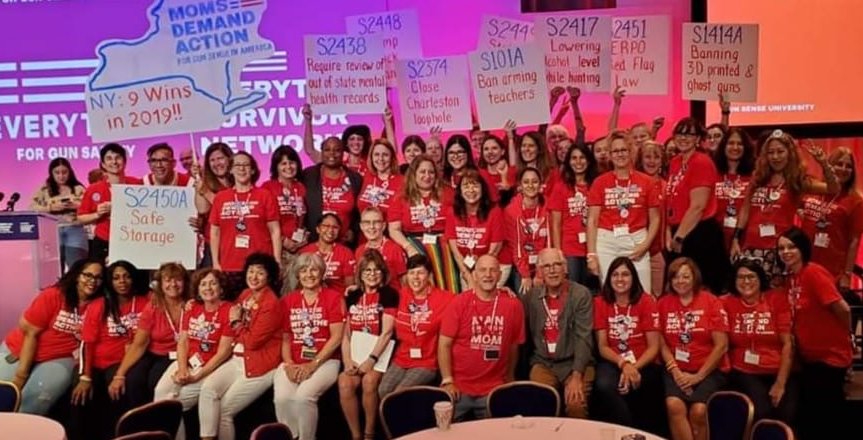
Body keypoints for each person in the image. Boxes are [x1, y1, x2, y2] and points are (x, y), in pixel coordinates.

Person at [730, 130, 838, 284]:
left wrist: (824, 164)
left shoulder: (797, 181)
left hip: (779, 251)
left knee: (777, 295)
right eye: (771, 152)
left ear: (790, 154)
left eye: (780, 152)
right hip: (750, 248)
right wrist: (735, 239)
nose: (775, 157)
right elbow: (745, 210)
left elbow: (833, 189)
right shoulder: (758, 178)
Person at [0, 259, 103, 414]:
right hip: (20, 349)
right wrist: (21, 376)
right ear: (76, 275)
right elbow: (30, 334)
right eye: (87, 275)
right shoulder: (53, 295)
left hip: (59, 357)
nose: (92, 281)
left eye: (98, 277)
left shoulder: (100, 304)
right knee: (5, 393)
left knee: (34, 400)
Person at [777, 228, 852, 440]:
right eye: (781, 248)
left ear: (802, 248)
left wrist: (847, 335)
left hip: (829, 356)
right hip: (809, 357)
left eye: (791, 247)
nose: (786, 252)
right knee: (811, 416)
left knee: (824, 417)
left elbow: (843, 309)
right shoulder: (791, 278)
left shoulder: (813, 272)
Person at [200, 253, 283, 440]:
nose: (254, 276)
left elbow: (252, 341)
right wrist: (196, 303)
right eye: (251, 271)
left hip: (259, 365)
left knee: (224, 411)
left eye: (260, 273)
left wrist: (236, 323)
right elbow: (227, 311)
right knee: (208, 390)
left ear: (269, 276)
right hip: (238, 359)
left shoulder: (271, 303)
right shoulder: (246, 294)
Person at [438, 255, 525, 420]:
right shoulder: (459, 303)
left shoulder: (513, 305)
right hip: (459, 388)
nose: (488, 275)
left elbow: (513, 345)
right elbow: (444, 344)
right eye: (483, 270)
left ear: (500, 275)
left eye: (493, 270)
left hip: (494, 389)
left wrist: (510, 378)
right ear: (475, 275)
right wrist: (448, 381)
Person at [71, 260, 149, 440]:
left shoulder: (145, 302)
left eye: (126, 276)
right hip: (94, 362)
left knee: (118, 392)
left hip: (122, 362)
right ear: (110, 281)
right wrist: (85, 376)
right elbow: (87, 343)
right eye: (116, 278)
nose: (122, 281)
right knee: (80, 393)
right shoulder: (99, 304)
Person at [153, 269, 234, 440]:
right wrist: (182, 369)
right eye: (203, 284)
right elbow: (183, 341)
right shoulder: (192, 307)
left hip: (211, 367)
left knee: (173, 403)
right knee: (160, 393)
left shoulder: (229, 310)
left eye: (213, 283)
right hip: (187, 362)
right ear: (197, 289)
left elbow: (223, 352)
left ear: (221, 288)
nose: (208, 288)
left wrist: (197, 376)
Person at [274, 253, 344, 440]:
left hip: (326, 360)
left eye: (314, 270)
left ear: (322, 273)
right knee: (282, 399)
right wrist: (289, 364)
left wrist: (313, 364)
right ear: (298, 275)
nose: (309, 275)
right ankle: (292, 436)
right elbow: (286, 337)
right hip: (293, 360)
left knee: (303, 398)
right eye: (304, 270)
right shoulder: (288, 301)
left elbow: (337, 337)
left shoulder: (334, 297)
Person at [658, 257, 729, 440]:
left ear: (694, 277)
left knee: (699, 410)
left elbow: (721, 345)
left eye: (685, 276)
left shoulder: (711, 301)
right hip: (675, 368)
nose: (680, 281)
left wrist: (698, 376)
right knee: (674, 405)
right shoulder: (663, 303)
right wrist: (675, 371)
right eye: (675, 277)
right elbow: (661, 342)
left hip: (708, 369)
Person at [592, 257, 663, 433]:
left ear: (633, 278)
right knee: (604, 383)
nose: (620, 279)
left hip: (644, 362)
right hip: (614, 361)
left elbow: (654, 347)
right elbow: (602, 346)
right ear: (609, 278)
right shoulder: (600, 302)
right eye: (615, 275)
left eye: (625, 274)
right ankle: (628, 433)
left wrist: (633, 367)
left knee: (649, 383)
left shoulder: (647, 301)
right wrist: (624, 364)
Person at [108, 263, 190, 411]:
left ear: (185, 282)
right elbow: (139, 344)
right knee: (133, 380)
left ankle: (156, 420)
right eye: (168, 280)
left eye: (178, 280)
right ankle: (138, 420)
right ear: (160, 284)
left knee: (154, 381)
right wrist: (119, 375)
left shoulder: (192, 305)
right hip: (153, 353)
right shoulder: (153, 305)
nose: (173, 284)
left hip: (179, 355)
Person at [722, 259, 795, 423]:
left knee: (787, 413)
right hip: (744, 370)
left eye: (751, 276)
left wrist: (780, 383)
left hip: (777, 369)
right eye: (741, 277)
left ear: (760, 279)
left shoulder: (776, 299)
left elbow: (788, 344)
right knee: (761, 410)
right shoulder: (726, 302)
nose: (746, 281)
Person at [523, 248, 593, 418]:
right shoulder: (531, 297)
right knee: (538, 402)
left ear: (565, 268)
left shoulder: (581, 294)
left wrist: (577, 375)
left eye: (557, 265)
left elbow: (583, 338)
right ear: (540, 271)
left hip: (574, 363)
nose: (552, 270)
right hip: (544, 363)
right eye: (547, 266)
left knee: (575, 403)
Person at [587, 131, 661, 287]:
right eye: (615, 151)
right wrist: (591, 254)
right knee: (610, 289)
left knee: (643, 289)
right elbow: (592, 220)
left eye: (623, 150)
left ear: (631, 152)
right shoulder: (599, 182)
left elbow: (655, 218)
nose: (620, 154)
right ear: (610, 155)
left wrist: (646, 245)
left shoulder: (647, 182)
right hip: (607, 241)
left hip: (637, 239)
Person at [338, 250, 399, 440]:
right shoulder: (352, 295)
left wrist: (371, 360)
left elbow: (387, 332)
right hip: (356, 353)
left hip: (379, 354)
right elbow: (346, 334)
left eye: (376, 270)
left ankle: (369, 433)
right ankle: (355, 435)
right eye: (367, 270)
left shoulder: (389, 294)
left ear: (383, 272)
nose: (372, 274)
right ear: (360, 273)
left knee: (369, 381)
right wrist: (347, 361)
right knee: (344, 382)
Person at [664, 118, 729, 295]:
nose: (683, 138)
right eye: (680, 133)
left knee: (701, 288)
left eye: (689, 134)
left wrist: (679, 237)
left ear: (698, 138)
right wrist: (669, 231)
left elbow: (698, 206)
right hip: (679, 230)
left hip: (699, 233)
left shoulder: (701, 162)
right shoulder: (675, 162)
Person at [379, 255, 453, 398]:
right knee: (383, 390)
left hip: (427, 362)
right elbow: (375, 290)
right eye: (412, 273)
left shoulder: (445, 298)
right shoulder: (400, 295)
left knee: (399, 394)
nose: (416, 277)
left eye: (420, 273)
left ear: (429, 275)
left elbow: (468, 299)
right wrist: (357, 288)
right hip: (402, 358)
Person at [388, 156, 458, 293]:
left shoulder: (448, 193)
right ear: (414, 174)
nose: (427, 176)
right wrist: (408, 248)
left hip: (445, 244)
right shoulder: (401, 197)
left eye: (431, 172)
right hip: (414, 245)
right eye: (422, 172)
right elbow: (394, 229)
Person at [209, 152, 281, 279]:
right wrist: (215, 262)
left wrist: (277, 260)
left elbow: (275, 231)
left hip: (259, 267)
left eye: (246, 165)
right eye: (237, 165)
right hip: (229, 265)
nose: (242, 169)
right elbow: (215, 233)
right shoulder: (221, 197)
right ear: (231, 170)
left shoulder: (265, 195)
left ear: (253, 170)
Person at [798, 147, 863, 287]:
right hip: (804, 263)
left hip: (832, 269)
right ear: (829, 165)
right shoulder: (815, 188)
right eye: (839, 164)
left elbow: (854, 241)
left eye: (848, 166)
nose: (843, 169)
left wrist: (847, 274)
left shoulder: (856, 201)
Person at [77, 143, 142, 262]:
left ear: (125, 161)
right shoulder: (94, 189)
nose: (114, 162)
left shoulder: (138, 184)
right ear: (103, 164)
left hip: (133, 240)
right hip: (104, 241)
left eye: (118, 158)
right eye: (109, 158)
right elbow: (81, 218)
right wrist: (97, 214)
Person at [445, 168, 505, 289]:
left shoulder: (494, 211)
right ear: (460, 191)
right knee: (469, 294)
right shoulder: (452, 212)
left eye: (475, 186)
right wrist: (468, 275)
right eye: (466, 186)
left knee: (483, 292)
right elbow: (456, 253)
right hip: (466, 265)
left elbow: (494, 251)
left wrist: (479, 272)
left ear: (483, 189)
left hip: (493, 263)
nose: (471, 190)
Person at [551, 144, 599, 286]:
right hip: (570, 249)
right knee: (573, 290)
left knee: (595, 289)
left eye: (582, 157)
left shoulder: (597, 185)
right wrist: (558, 253)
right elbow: (555, 224)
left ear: (589, 160)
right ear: (568, 161)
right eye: (574, 158)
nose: (578, 162)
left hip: (595, 245)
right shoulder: (560, 187)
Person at [30, 157, 88, 270]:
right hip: (53, 231)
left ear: (69, 172)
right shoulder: (45, 190)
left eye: (64, 172)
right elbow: (32, 208)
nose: (61, 176)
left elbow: (90, 206)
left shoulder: (78, 189)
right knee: (54, 268)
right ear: (51, 173)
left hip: (75, 229)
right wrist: (50, 208)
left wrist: (77, 206)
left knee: (76, 266)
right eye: (57, 173)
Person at [505, 167, 552, 294]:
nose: (530, 185)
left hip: (544, 262)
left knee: (544, 294)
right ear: (520, 186)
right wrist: (525, 275)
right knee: (525, 294)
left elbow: (549, 243)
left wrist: (540, 273)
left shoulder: (548, 208)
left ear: (541, 185)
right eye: (526, 182)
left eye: (534, 181)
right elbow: (515, 246)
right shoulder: (511, 211)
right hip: (521, 264)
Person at [261, 145, 308, 269]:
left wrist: (303, 236)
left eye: (292, 162)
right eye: (283, 163)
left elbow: (302, 217)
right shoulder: (267, 188)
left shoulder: (300, 187)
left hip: (297, 247)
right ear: (276, 167)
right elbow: (261, 221)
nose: (288, 167)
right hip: (275, 247)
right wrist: (283, 240)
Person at [712, 128, 756, 250]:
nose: (735, 147)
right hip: (714, 236)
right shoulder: (712, 173)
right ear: (723, 146)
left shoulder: (754, 176)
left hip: (744, 237)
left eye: (740, 144)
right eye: (731, 143)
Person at [636, 141, 668, 297]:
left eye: (656, 157)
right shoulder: (635, 185)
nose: (652, 161)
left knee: (657, 294)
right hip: (636, 247)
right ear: (640, 160)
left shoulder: (666, 186)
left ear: (662, 161)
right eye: (647, 157)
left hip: (658, 250)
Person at [194, 142, 234, 269]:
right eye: (212, 160)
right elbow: (202, 209)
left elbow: (229, 208)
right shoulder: (206, 184)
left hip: (235, 245)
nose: (217, 163)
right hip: (213, 246)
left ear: (229, 159)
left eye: (220, 158)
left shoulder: (239, 183)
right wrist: (200, 181)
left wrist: (206, 192)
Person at [298, 214, 356, 293]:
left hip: (338, 298)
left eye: (335, 227)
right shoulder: (305, 252)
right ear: (318, 229)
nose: (330, 230)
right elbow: (299, 284)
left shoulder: (346, 253)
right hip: (313, 297)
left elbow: (350, 287)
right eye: (326, 226)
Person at [355, 207, 407, 289]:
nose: (371, 226)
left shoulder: (395, 249)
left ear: (383, 226)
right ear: (361, 226)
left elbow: (404, 283)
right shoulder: (359, 251)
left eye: (376, 222)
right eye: (367, 223)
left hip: (392, 295)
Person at [357, 139, 404, 215]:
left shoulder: (402, 181)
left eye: (385, 155)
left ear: (392, 157)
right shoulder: (366, 176)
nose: (381, 158)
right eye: (376, 154)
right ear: (371, 157)